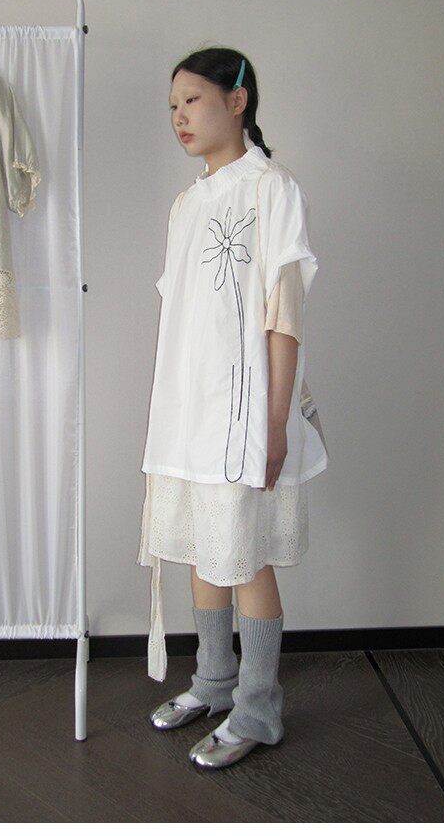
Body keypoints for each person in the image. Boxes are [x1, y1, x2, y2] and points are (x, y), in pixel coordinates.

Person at [137, 47, 328, 769]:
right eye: (173, 107)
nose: (180, 117)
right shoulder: (187, 204)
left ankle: (257, 708)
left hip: (244, 412)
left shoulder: (271, 190)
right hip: (186, 410)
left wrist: (274, 424)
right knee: (200, 546)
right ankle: (214, 681)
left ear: (237, 100)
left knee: (243, 554)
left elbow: (284, 316)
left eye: (192, 100)